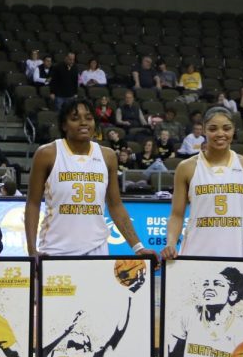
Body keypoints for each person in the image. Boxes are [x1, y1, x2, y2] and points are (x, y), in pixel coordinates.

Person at [23, 99, 156, 257]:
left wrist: (138, 247)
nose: (83, 123)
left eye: (88, 118)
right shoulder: (47, 154)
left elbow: (115, 206)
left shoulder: (108, 156)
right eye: (75, 118)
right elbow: (32, 203)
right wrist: (32, 250)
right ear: (64, 125)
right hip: (54, 249)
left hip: (97, 249)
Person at [162, 107, 243, 262]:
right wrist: (171, 244)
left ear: (234, 130)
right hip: (194, 254)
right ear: (204, 131)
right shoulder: (187, 167)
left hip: (234, 255)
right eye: (213, 129)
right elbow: (176, 214)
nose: (220, 134)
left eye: (226, 128)